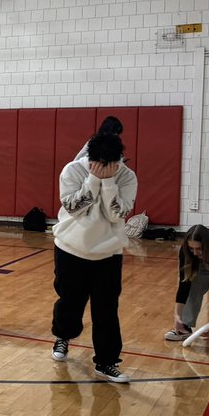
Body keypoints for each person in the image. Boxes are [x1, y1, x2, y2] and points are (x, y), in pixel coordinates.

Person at [50, 131, 138, 383]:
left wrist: (108, 183)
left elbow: (116, 214)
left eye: (112, 163)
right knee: (70, 301)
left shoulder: (127, 176)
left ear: (119, 159)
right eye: (98, 163)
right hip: (70, 248)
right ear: (91, 157)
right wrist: (93, 180)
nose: (105, 167)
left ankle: (107, 361)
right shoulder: (72, 170)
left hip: (108, 253)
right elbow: (73, 208)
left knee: (106, 309)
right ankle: (63, 337)